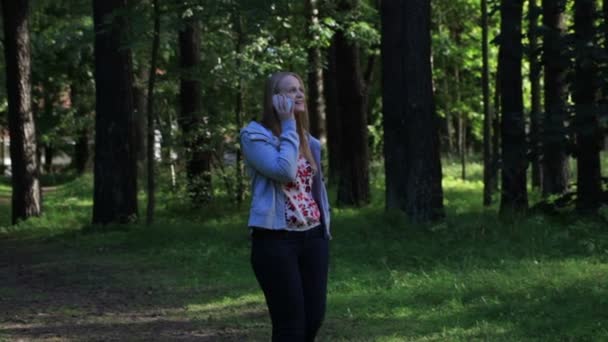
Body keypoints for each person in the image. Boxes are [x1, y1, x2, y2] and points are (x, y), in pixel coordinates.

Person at [240, 71, 331, 342]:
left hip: (314, 238)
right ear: (274, 99)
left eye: (300, 89)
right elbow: (284, 171)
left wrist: (325, 225)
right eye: (291, 90)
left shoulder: (309, 142)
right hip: (276, 241)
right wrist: (289, 124)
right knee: (290, 326)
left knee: (313, 319)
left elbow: (313, 189)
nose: (300, 94)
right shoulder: (254, 136)